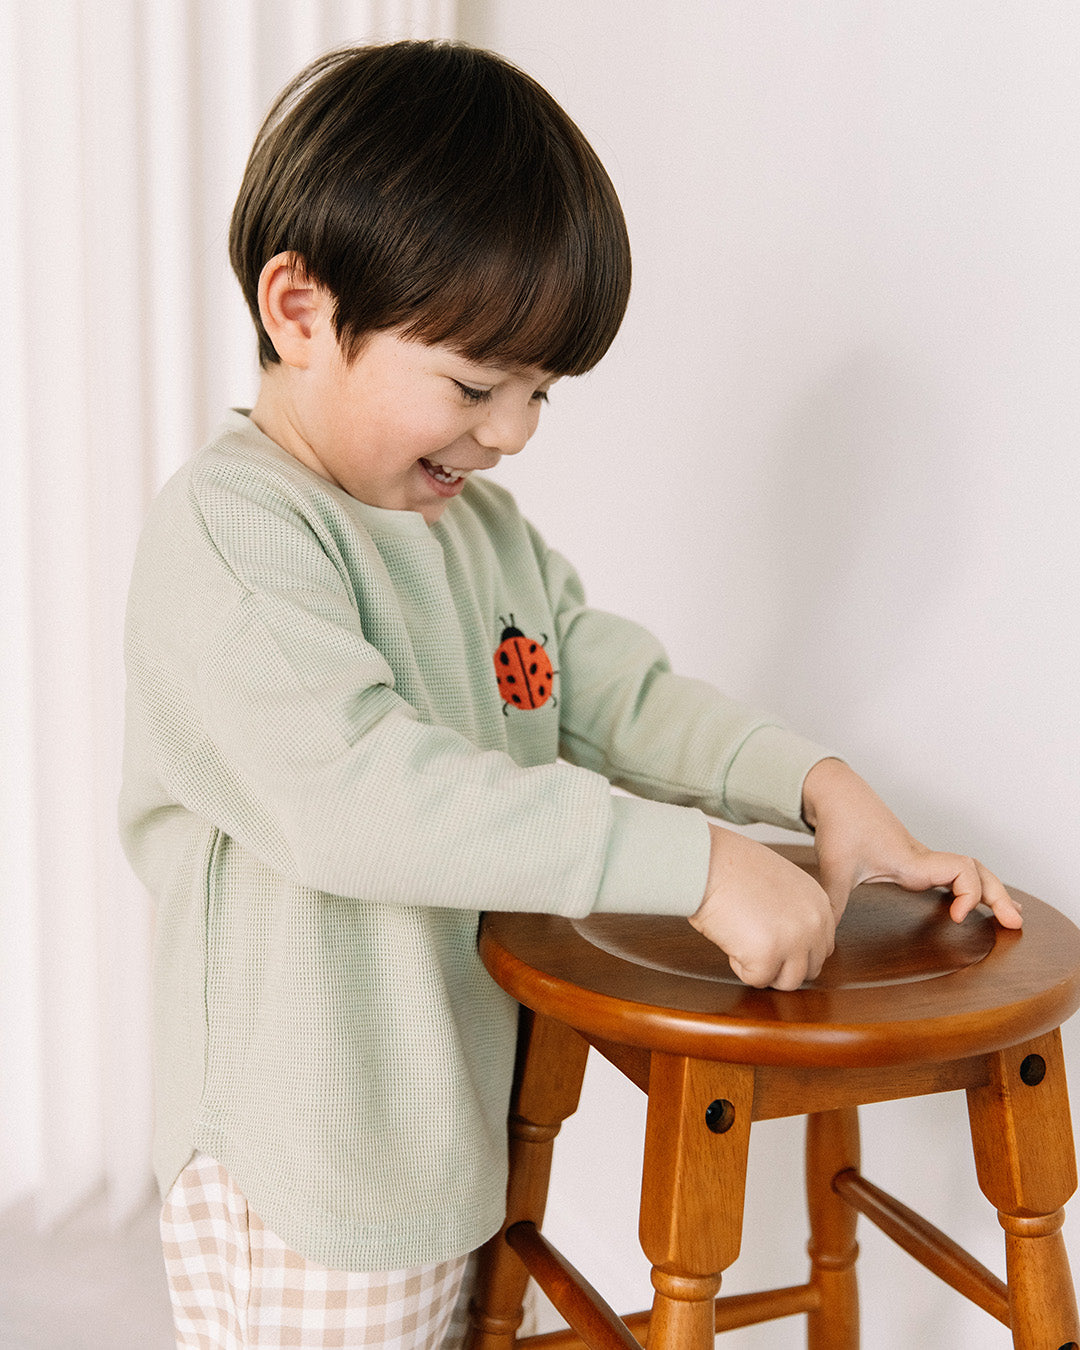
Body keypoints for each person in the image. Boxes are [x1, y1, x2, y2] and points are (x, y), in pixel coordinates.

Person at [119, 39, 1022, 1350]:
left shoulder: (479, 539)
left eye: (540, 390)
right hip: (308, 1157)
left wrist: (816, 786)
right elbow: (354, 794)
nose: (513, 433)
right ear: (301, 310)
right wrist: (693, 863)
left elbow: (613, 695)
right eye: (476, 385)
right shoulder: (236, 535)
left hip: (440, 1129)